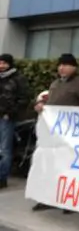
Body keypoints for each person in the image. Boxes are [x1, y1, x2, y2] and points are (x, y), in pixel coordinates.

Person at [33, 53, 79, 213]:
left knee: (70, 168)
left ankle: (72, 200)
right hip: (53, 134)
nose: (61, 67)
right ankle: (49, 198)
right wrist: (41, 105)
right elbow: (51, 103)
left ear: (74, 66)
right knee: (51, 166)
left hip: (73, 134)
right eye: (60, 64)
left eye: (65, 64)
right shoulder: (55, 83)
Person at [0, 54, 28, 189]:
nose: (1, 65)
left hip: (7, 118)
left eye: (4, 63)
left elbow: (24, 98)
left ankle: (2, 177)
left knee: (5, 148)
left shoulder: (18, 78)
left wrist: (10, 113)